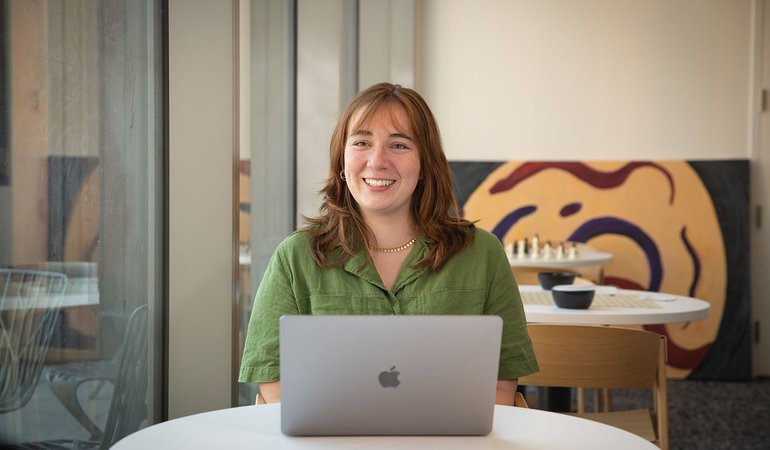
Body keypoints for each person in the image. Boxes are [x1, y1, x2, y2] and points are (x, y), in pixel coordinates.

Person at [239, 82, 538, 405]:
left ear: (425, 164)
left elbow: (500, 387)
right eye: (362, 142)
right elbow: (274, 385)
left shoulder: (482, 254)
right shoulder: (295, 257)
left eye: (399, 145)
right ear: (342, 161)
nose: (377, 160)